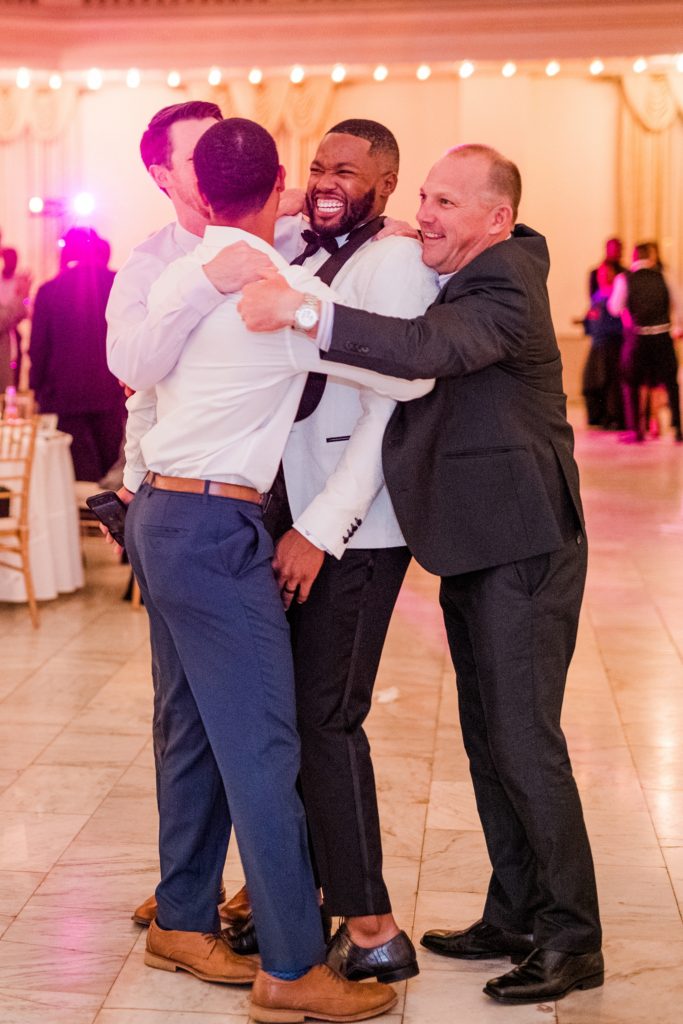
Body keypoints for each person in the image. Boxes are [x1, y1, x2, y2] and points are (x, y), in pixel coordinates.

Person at [238, 142, 604, 1006]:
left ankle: (571, 936)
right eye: (425, 199)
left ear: (496, 219)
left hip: (523, 545)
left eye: (445, 202)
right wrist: (412, 231)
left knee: (524, 742)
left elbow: (420, 348)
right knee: (489, 738)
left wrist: (302, 312)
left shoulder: (503, 282)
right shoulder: (476, 263)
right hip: (479, 543)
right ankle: (513, 913)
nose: (425, 215)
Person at [115, 116, 433, 1022]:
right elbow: (408, 379)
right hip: (217, 529)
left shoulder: (181, 273)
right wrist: (306, 311)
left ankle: (183, 916)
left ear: (196, 188)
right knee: (264, 749)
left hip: (158, 515)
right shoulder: (285, 289)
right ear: (280, 181)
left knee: (191, 729)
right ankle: (291, 966)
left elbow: (133, 367)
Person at [222, 119, 438, 984]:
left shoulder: (396, 261)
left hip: (355, 528)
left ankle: (374, 925)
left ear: (386, 184)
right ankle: (301, 896)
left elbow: (393, 407)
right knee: (291, 720)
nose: (325, 180)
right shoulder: (298, 248)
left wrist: (320, 529)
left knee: (327, 718)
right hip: (286, 514)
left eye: (347, 171)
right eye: (316, 166)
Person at [28, 228, 124, 480]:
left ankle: (84, 505)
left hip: (64, 394)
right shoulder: (118, 283)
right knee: (109, 464)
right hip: (110, 390)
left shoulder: (50, 290)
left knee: (77, 470)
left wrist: (36, 388)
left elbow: (39, 347)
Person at [608, 242, 682, 443]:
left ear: (634, 257)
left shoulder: (625, 278)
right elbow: (680, 304)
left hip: (637, 337)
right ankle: (678, 428)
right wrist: (678, 327)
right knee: (670, 382)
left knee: (631, 382)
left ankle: (636, 430)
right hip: (662, 335)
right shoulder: (664, 276)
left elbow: (614, 307)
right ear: (651, 257)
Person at [581, 261, 624, 429]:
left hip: (611, 344)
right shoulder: (597, 296)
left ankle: (612, 417)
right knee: (591, 381)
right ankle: (597, 417)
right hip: (597, 344)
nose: (603, 276)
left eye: (607, 273)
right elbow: (591, 318)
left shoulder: (615, 295)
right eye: (601, 273)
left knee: (609, 383)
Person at [0, 249, 30, 393]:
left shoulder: (18, 281)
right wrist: (20, 296)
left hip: (12, 333)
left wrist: (24, 297)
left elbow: (25, 309)